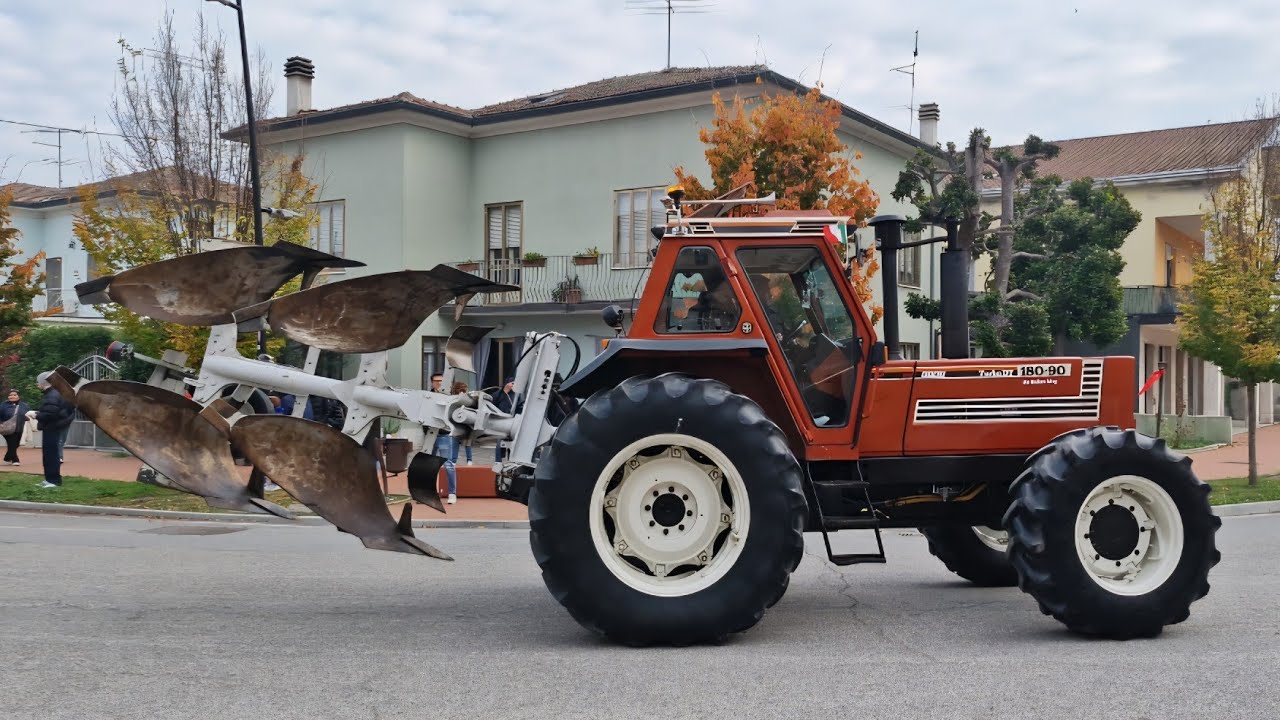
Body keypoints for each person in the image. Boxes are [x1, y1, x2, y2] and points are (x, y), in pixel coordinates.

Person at [28, 372, 76, 488]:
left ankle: (53, 480)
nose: (37, 384)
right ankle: (50, 479)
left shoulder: (52, 395)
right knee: (51, 454)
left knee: (50, 455)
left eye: (38, 382)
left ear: (43, 383)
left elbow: (50, 414)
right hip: (55, 426)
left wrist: (35, 415)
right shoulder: (58, 393)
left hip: (51, 427)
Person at [0, 389, 31, 465]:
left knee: (16, 444)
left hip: (19, 427)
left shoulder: (24, 405)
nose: (12, 396)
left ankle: (7, 458)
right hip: (7, 428)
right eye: (10, 395)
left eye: (14, 395)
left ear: (18, 396)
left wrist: (27, 418)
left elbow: (28, 414)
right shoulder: (3, 405)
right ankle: (15, 460)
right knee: (12, 443)